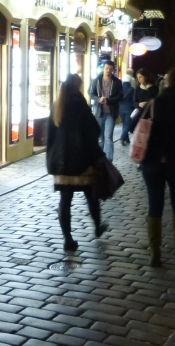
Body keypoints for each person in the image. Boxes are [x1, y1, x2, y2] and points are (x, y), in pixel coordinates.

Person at [46, 74, 107, 251]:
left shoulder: (57, 105)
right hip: (81, 161)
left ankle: (68, 239)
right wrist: (96, 155)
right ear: (78, 86)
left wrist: (52, 159)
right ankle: (97, 226)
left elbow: (50, 136)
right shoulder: (80, 104)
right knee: (91, 196)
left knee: (65, 201)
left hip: (61, 162)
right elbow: (93, 130)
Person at [140, 67, 175, 266]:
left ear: (168, 82)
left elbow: (140, 127)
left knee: (154, 204)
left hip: (152, 160)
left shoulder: (154, 103)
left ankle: (155, 253)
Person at [88, 61, 124, 161]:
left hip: (111, 113)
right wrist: (98, 99)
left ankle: (109, 160)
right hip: (99, 113)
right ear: (104, 68)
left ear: (113, 70)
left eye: (110, 69)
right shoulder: (96, 80)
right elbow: (90, 93)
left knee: (108, 137)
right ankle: (100, 159)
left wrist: (108, 101)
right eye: (106, 68)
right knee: (100, 138)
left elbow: (120, 96)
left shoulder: (117, 82)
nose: (108, 70)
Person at [119, 75, 136, 145]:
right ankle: (122, 138)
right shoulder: (132, 89)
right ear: (130, 81)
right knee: (127, 125)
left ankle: (127, 139)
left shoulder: (119, 89)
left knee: (124, 124)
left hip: (120, 109)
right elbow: (134, 100)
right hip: (129, 109)